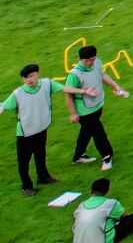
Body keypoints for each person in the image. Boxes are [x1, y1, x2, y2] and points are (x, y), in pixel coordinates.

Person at [10, 62, 94, 195]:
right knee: (24, 160)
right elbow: (5, 106)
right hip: (25, 132)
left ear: (37, 74)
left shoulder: (47, 84)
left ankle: (43, 177)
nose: (29, 80)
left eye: (31, 76)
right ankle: (27, 186)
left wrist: (83, 91)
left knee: (40, 153)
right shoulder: (18, 94)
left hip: (41, 127)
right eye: (26, 78)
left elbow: (65, 89)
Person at [64, 46, 127, 171]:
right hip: (84, 111)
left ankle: (78, 156)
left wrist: (116, 86)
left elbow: (102, 75)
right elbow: (68, 95)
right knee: (98, 132)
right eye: (86, 60)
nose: (90, 62)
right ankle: (107, 156)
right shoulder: (74, 75)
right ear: (80, 59)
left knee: (86, 131)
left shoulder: (97, 63)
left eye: (92, 59)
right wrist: (72, 113)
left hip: (97, 104)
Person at [71, 176, 133, 241]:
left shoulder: (80, 205)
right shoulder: (112, 203)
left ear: (90, 191)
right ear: (107, 191)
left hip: (79, 239)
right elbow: (125, 216)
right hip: (102, 240)